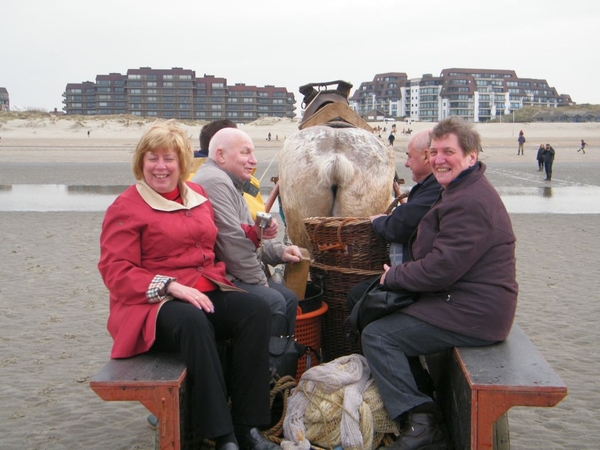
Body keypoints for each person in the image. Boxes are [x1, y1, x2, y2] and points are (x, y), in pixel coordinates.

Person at [98, 120, 279, 450]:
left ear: (182, 162)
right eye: (152, 158)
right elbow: (115, 271)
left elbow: (215, 239)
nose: (161, 166)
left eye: (169, 158)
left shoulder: (196, 194)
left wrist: (255, 233)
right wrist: (169, 287)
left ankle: (248, 428)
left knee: (255, 310)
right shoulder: (126, 207)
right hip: (150, 307)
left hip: (204, 290)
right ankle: (222, 436)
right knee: (193, 321)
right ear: (141, 162)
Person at [359, 117, 518, 450]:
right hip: (460, 299)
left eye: (449, 151)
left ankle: (421, 420)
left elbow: (442, 268)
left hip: (474, 311)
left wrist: (395, 276)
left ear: (471, 156)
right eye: (434, 152)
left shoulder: (469, 201)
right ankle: (421, 400)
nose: (439, 159)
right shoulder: (460, 189)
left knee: (378, 336)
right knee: (372, 311)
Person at [192, 128, 301, 337]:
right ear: (221, 155)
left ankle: (280, 357)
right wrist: (262, 283)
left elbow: (246, 236)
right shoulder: (215, 182)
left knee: (288, 298)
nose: (253, 160)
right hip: (219, 277)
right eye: (245, 153)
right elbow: (232, 245)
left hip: (231, 271)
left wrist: (279, 251)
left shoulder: (230, 182)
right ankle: (267, 365)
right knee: (276, 300)